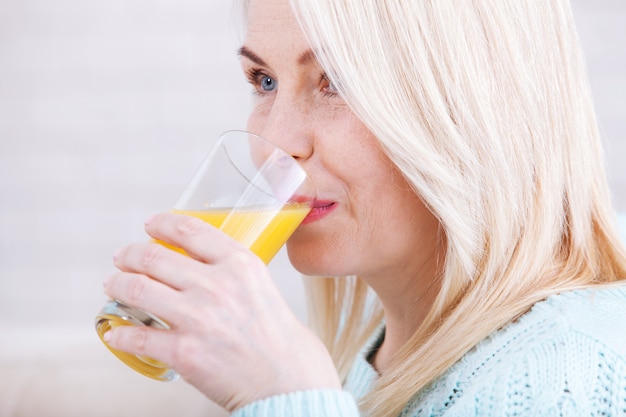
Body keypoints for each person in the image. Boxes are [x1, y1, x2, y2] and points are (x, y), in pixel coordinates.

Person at [102, 0, 626, 415]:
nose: (274, 144)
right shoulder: (382, 358)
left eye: (338, 81)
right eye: (265, 81)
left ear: (478, 106)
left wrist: (290, 403)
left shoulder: (562, 374)